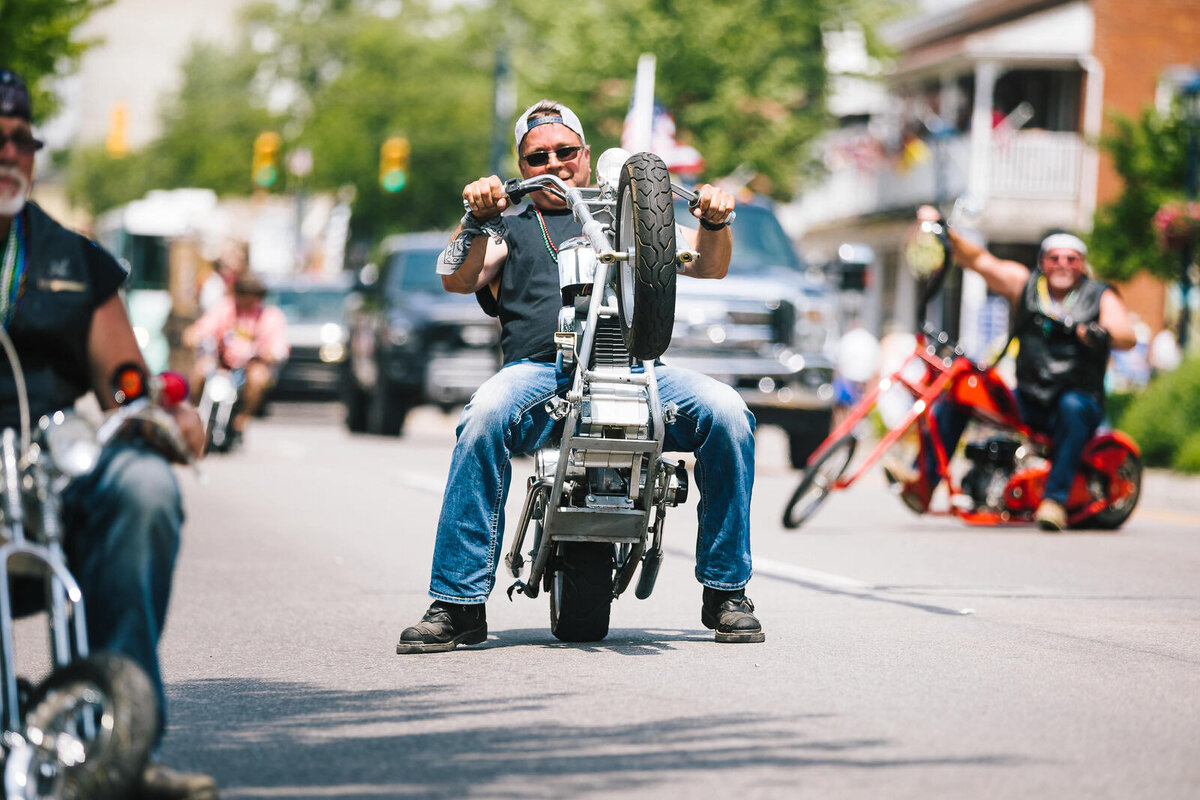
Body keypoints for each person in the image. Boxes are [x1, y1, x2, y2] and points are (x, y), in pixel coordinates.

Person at [396, 99, 762, 653]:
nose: (555, 164)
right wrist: (474, 215)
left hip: (639, 372)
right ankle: (458, 603)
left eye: (566, 152)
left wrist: (714, 219)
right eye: (537, 156)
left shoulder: (635, 213)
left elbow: (709, 264)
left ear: (586, 155)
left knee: (729, 413)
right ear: (521, 166)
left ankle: (726, 592)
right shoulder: (508, 226)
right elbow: (457, 278)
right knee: (484, 417)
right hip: (542, 375)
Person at [0, 67, 214, 797]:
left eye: (20, 141)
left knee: (145, 484)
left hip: (47, 470)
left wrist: (157, 407)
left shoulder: (71, 258)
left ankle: (121, 749)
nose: (8, 155)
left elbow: (124, 378)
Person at [886, 204, 1136, 531]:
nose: (1062, 265)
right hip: (1029, 397)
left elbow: (1127, 336)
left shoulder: (1098, 297)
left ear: (1082, 265)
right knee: (963, 388)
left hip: (1077, 399)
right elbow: (978, 260)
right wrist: (942, 230)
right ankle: (923, 483)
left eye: (1071, 259)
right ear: (1042, 262)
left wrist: (1099, 334)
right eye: (1055, 258)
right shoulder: (1025, 284)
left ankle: (1054, 502)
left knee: (1072, 406)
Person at [183, 271, 288, 437]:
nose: (246, 298)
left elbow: (279, 347)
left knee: (258, 377)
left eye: (251, 294)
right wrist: (194, 336)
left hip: (250, 366)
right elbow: (201, 329)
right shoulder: (225, 309)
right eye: (242, 293)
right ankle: (192, 413)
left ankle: (241, 420)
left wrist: (269, 353)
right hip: (222, 364)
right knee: (199, 371)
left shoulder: (270, 316)